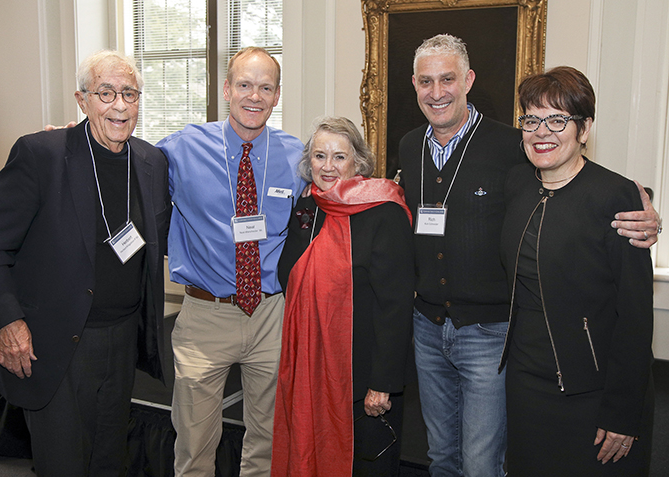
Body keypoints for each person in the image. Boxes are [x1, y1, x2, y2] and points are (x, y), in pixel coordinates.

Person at [397, 34, 659, 477]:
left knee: (483, 462)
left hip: (492, 336)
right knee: (441, 455)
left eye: (448, 79)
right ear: (415, 85)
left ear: (469, 80)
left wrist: (644, 208)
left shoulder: (512, 148)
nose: (437, 91)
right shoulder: (412, 147)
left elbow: (581, 187)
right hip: (448, 336)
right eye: (426, 81)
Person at [0, 50, 171, 476]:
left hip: (122, 339)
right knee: (63, 463)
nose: (119, 105)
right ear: (82, 100)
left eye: (129, 94)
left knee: (109, 460)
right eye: (106, 92)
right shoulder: (41, 155)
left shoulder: (151, 162)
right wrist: (7, 322)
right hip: (57, 342)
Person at [156, 46, 306, 476]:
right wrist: (76, 137)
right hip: (205, 315)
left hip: (271, 314)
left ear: (277, 95)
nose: (254, 96)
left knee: (268, 440)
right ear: (227, 89)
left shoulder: (297, 157)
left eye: (265, 87)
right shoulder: (182, 148)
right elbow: (123, 163)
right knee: (194, 443)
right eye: (244, 85)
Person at [500, 66, 654, 476]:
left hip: (593, 388)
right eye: (531, 119)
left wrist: (624, 413)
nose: (541, 131)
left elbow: (635, 316)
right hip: (525, 382)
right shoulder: (516, 183)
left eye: (557, 119)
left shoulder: (615, 196)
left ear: (584, 129)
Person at [271, 116, 415, 477]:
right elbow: (289, 275)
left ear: (359, 162)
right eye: (320, 156)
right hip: (310, 369)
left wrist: (381, 384)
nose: (328, 166)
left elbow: (395, 306)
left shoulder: (383, 211)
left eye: (339, 157)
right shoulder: (309, 208)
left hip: (361, 379)